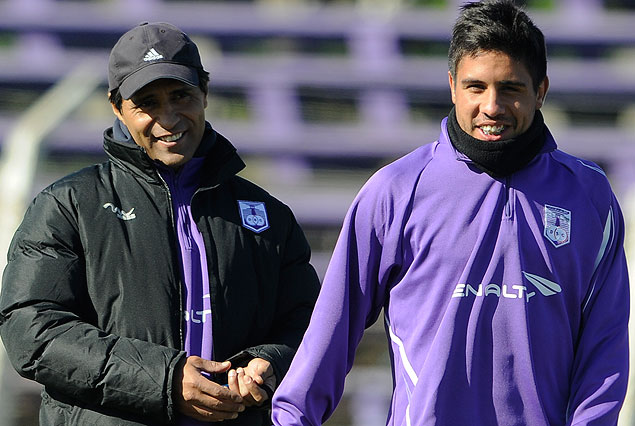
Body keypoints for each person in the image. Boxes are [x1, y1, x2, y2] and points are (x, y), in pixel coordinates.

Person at [271, 1, 630, 425]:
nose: (492, 106)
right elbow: (329, 334)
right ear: (452, 86)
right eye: (475, 87)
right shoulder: (396, 191)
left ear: (541, 89)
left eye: (511, 88)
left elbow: (604, 351)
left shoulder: (588, 195)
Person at [0, 22, 320, 425]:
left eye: (181, 96)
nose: (168, 118)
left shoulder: (268, 214)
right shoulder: (67, 206)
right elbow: (31, 330)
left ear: (204, 93)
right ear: (117, 108)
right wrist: (165, 382)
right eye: (147, 102)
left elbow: (308, 324)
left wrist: (268, 362)